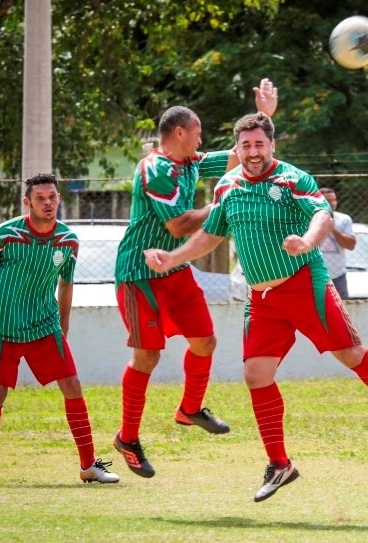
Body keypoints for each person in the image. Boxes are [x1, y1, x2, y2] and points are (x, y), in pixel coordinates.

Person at [143, 112, 368, 503]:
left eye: (260, 144)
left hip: (304, 284)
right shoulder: (227, 186)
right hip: (262, 298)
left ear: (272, 146)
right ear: (238, 148)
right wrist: (173, 257)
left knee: (350, 354)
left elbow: (322, 215)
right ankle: (280, 464)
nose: (253, 151)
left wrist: (307, 242)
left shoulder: (293, 178)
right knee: (255, 373)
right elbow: (209, 236)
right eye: (246, 145)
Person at [111, 80, 277, 478]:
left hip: (175, 268)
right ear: (180, 132)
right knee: (147, 356)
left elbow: (244, 157)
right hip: (140, 271)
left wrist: (265, 116)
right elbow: (178, 226)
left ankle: (189, 409)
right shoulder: (156, 169)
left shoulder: (191, 162)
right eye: (199, 130)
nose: (203, 137)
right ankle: (127, 438)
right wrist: (224, 202)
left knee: (205, 340)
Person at [0, 173, 120, 487]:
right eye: (40, 198)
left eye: (52, 196)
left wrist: (63, 326)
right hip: (6, 328)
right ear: (27, 203)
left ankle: (88, 466)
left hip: (45, 326)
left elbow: (66, 283)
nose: (48, 202)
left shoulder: (68, 239)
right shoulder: (6, 234)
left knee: (72, 385)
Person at [317, 187, 356, 299]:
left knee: (341, 310)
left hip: (337, 276)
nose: (332, 203)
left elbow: (350, 245)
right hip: (314, 275)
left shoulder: (344, 219)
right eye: (328, 201)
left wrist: (332, 228)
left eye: (334, 200)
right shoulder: (306, 219)